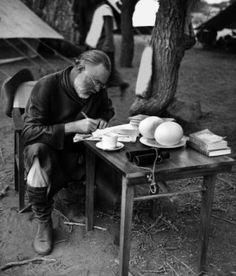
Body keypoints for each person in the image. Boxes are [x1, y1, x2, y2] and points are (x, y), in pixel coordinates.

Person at [22, 50, 115, 256]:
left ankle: (76, 194)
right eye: (96, 82)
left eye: (102, 85)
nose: (99, 88)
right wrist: (73, 126)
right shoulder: (47, 85)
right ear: (79, 68)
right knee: (38, 152)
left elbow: (107, 110)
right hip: (48, 151)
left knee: (115, 195)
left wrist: (102, 120)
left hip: (78, 152)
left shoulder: (99, 89)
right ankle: (44, 221)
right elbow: (29, 132)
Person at [85, 0, 129, 93]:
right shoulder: (102, 9)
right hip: (101, 44)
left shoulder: (105, 10)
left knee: (103, 68)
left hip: (104, 46)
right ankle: (121, 84)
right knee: (110, 69)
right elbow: (97, 29)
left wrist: (107, 46)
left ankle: (104, 87)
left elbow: (108, 31)